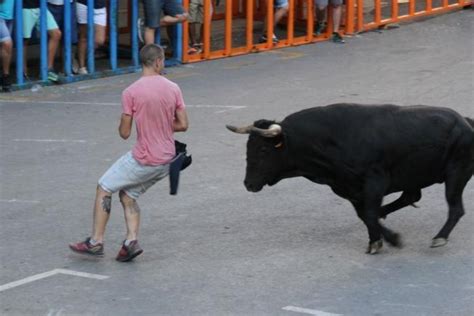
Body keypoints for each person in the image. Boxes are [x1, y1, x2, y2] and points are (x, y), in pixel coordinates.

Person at [69, 44, 189, 262]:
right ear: (159, 62)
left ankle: (95, 242)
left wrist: (136, 120)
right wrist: (161, 124)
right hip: (166, 160)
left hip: (145, 158)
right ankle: (130, 242)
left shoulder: (131, 92)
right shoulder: (173, 88)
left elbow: (124, 133)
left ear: (143, 62)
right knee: (128, 195)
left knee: (104, 187)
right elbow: (183, 124)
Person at [22, 0, 62, 82]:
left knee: (56, 34)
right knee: (24, 40)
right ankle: (23, 71)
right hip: (25, 7)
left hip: (41, 7)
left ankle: (48, 69)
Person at [76, 0, 107, 74]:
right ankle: (81, 66)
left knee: (99, 40)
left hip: (100, 6)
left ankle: (81, 57)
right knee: (84, 37)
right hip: (83, 4)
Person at [47, 0, 78, 73]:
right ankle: (48, 68)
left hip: (69, 4)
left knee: (68, 36)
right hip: (50, 4)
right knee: (52, 36)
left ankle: (67, 66)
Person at [0, 0, 14, 92]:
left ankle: (4, 76)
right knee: (7, 43)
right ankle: (6, 76)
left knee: (4, 47)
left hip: (9, 15)